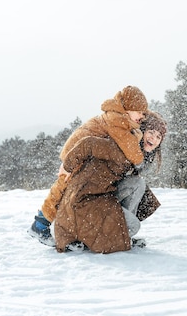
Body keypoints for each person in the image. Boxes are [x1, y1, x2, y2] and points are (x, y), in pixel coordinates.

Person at [27, 85, 148, 246]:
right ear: (128, 109)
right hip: (77, 155)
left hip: (80, 154)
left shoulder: (118, 118)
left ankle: (44, 224)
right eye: (139, 111)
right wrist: (140, 159)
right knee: (63, 188)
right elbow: (132, 151)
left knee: (64, 188)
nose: (142, 116)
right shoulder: (117, 120)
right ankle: (40, 225)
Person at [53, 111, 167, 253]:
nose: (153, 139)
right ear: (142, 131)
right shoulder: (123, 146)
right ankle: (93, 236)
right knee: (133, 226)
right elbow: (88, 143)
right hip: (87, 199)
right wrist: (67, 165)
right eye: (151, 132)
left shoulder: (137, 155)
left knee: (138, 184)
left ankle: (118, 232)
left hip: (103, 194)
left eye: (158, 137)